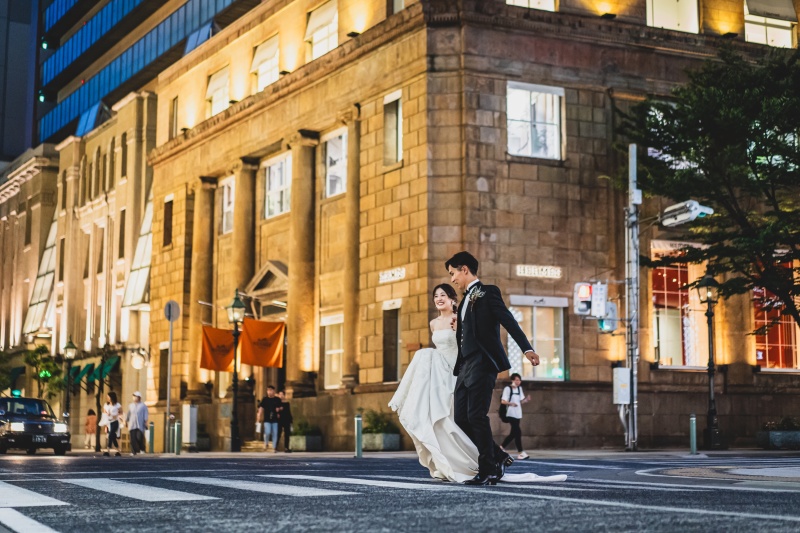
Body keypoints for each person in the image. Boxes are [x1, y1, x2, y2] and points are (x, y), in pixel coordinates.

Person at [389, 282, 566, 485]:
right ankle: (459, 460)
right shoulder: (433, 323)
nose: (439, 299)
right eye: (435, 296)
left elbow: (470, 344)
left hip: (460, 373)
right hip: (440, 374)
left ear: (453, 299)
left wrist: (461, 331)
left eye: (443, 295)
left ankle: (488, 459)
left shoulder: (461, 318)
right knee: (446, 422)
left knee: (462, 420)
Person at [447, 251, 541, 485]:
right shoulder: (465, 301)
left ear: (465, 269)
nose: (452, 279)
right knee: (461, 418)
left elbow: (509, 321)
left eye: (453, 273)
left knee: (476, 415)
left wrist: (526, 349)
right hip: (465, 366)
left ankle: (488, 468)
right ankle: (498, 456)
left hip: (482, 362)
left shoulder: (488, 293)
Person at [500, 373, 530, 460]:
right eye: (516, 380)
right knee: (518, 432)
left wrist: (526, 400)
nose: (518, 382)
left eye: (519, 380)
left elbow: (520, 401)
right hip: (510, 413)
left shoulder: (520, 389)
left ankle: (501, 447)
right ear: (512, 380)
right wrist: (511, 403)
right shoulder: (507, 388)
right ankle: (520, 452)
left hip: (518, 414)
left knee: (513, 433)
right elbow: (503, 401)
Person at [257, 386, 281, 451]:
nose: (269, 392)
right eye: (268, 390)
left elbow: (281, 407)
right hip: (267, 419)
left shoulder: (277, 399)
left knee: (275, 433)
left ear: (274, 391)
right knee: (267, 432)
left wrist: (279, 409)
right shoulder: (265, 399)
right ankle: (266, 443)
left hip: (275, 419)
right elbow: (261, 408)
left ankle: (274, 447)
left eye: (270, 390)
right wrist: (259, 415)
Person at [125, 391, 148, 456]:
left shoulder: (143, 406)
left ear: (139, 398)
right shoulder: (131, 405)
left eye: (136, 396)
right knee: (132, 439)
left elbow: (145, 414)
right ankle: (133, 451)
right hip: (132, 424)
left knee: (139, 437)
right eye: (134, 396)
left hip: (140, 424)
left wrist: (146, 422)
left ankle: (142, 449)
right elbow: (129, 413)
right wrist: (126, 421)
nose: (135, 398)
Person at [103, 392, 122, 457]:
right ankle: (118, 451)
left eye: (108, 397)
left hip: (115, 422)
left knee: (110, 435)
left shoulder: (117, 405)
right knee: (113, 437)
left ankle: (108, 450)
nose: (107, 398)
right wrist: (105, 425)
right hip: (109, 422)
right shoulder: (106, 405)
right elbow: (104, 414)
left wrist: (115, 415)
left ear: (112, 397)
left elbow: (121, 412)